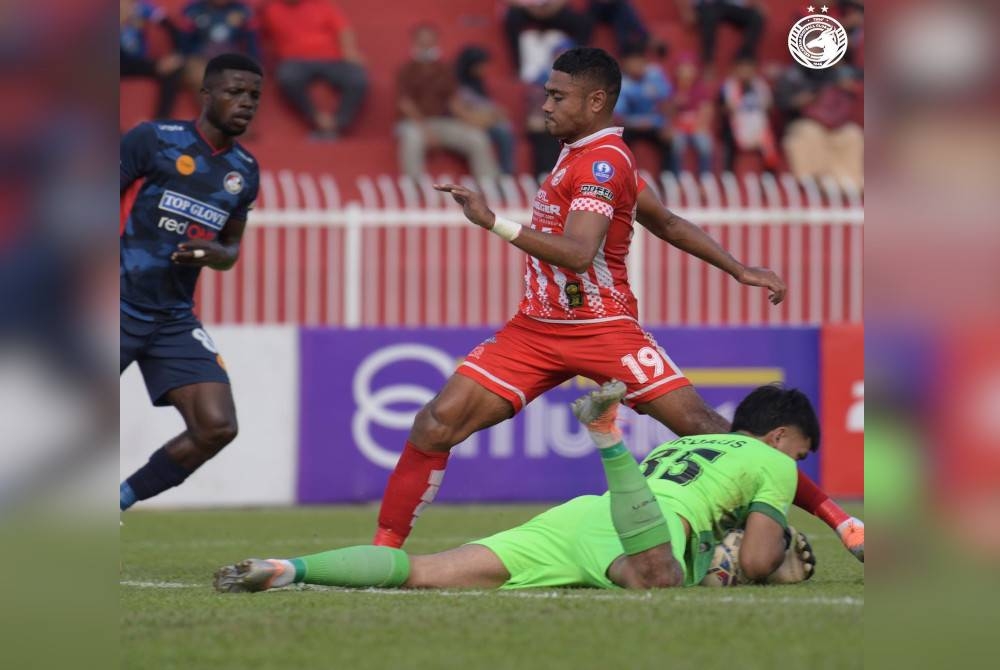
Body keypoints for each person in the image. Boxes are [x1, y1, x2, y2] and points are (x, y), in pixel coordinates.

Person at [375, 45, 866, 562]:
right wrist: (739, 268)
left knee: (707, 430)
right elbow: (668, 222)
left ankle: (843, 522)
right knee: (435, 423)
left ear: (595, 101)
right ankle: (384, 553)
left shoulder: (603, 164)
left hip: (602, 328)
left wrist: (493, 220)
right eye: (547, 93)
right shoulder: (588, 153)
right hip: (535, 330)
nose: (544, 104)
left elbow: (579, 254)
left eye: (557, 96)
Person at [214, 382, 822, 592]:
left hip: (586, 519)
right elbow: (763, 555)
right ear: (780, 436)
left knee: (422, 571)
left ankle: (291, 567)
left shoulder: (681, 444)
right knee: (658, 580)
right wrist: (764, 566)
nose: (801, 467)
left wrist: (717, 559)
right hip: (645, 529)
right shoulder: (773, 462)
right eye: (802, 452)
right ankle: (608, 437)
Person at [119, 53, 262, 513]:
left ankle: (116, 500)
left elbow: (231, 250)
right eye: (234, 92)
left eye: (254, 96)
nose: (245, 103)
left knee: (216, 425)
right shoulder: (155, 139)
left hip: (173, 318)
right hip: (114, 301)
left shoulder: (244, 171)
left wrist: (217, 254)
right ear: (206, 94)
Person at [395, 24, 500, 181]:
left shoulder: (445, 70)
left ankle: (489, 183)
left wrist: (470, 120)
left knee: (477, 138)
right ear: (415, 42)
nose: (426, 46)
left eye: (429, 42)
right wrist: (425, 128)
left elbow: (453, 102)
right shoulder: (405, 70)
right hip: (415, 123)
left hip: (443, 122)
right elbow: (405, 104)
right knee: (412, 138)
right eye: (422, 42)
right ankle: (415, 185)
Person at [258, 0, 368, 140]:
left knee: (357, 77)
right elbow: (255, 33)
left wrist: (350, 52)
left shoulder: (322, 5)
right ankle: (317, 119)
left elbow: (343, 29)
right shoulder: (269, 10)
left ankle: (338, 123)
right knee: (287, 77)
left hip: (332, 59)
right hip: (294, 61)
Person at [614, 38, 673, 175]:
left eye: (641, 61)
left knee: (670, 140)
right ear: (625, 63)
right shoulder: (620, 83)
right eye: (634, 61)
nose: (639, 65)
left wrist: (668, 125)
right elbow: (618, 117)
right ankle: (622, 176)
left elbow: (666, 103)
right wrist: (639, 123)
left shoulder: (655, 75)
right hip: (630, 125)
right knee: (619, 140)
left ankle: (668, 179)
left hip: (654, 124)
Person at [120, 0, 185, 120]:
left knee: (173, 70)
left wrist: (177, 53)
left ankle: (161, 120)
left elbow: (171, 26)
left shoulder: (141, 8)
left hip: (140, 62)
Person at [455, 46, 516, 175]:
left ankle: (507, 172)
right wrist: (489, 117)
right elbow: (463, 112)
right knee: (499, 131)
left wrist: (496, 113)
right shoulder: (458, 86)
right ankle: (498, 175)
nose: (484, 69)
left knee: (505, 128)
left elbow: (489, 106)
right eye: (481, 66)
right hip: (470, 123)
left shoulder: (479, 83)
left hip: (486, 119)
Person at [178, 1, 260, 93]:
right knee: (200, 75)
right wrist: (184, 58)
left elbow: (252, 40)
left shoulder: (242, 10)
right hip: (201, 56)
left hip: (231, 56)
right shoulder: (193, 9)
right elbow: (184, 41)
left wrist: (254, 62)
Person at [719, 56, 779, 172]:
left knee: (768, 140)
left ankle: (770, 175)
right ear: (736, 69)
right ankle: (728, 173)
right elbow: (725, 108)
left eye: (749, 69)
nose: (745, 72)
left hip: (757, 122)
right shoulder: (729, 86)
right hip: (736, 122)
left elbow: (768, 105)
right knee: (728, 138)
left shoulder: (760, 86)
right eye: (743, 69)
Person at [675, 0, 766, 70]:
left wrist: (758, 3)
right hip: (708, 5)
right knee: (709, 16)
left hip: (732, 5)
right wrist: (686, 10)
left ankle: (743, 59)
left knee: (756, 17)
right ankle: (708, 63)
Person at [667, 52, 716, 175]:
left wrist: (700, 126)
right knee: (677, 144)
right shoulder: (671, 89)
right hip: (678, 128)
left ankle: (705, 178)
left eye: (690, 69)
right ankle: (676, 177)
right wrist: (675, 103)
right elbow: (667, 113)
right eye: (683, 69)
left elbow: (707, 110)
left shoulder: (701, 89)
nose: (687, 73)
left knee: (705, 144)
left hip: (696, 127)